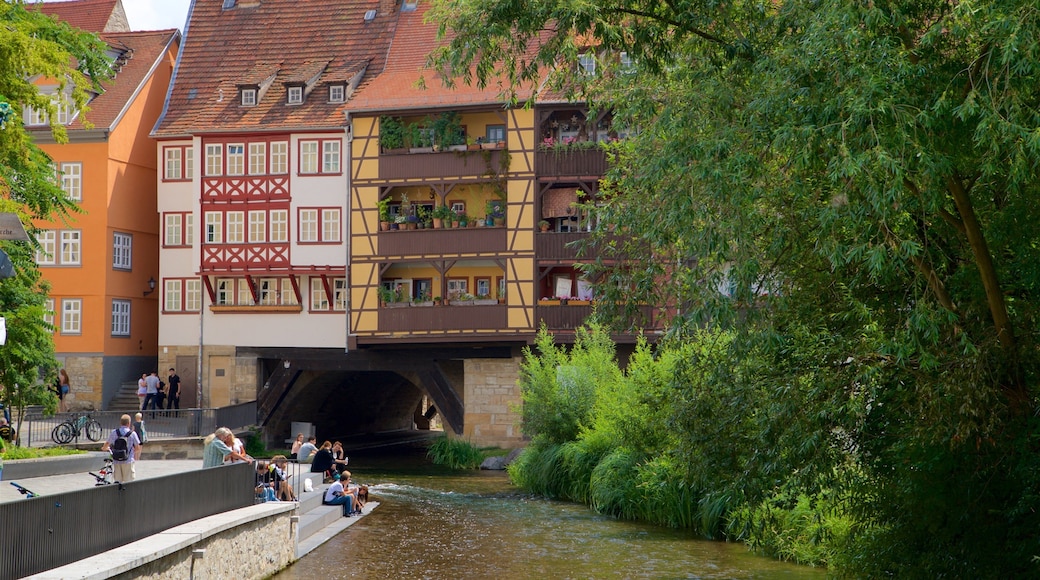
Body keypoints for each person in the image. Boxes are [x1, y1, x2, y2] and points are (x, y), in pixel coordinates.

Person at [101, 414, 141, 483]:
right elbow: (137, 448)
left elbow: (107, 444)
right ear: (129, 423)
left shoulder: (114, 432)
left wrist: (104, 448)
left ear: (120, 423)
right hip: (128, 461)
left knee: (117, 482)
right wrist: (131, 453)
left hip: (117, 461)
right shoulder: (133, 434)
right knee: (129, 482)